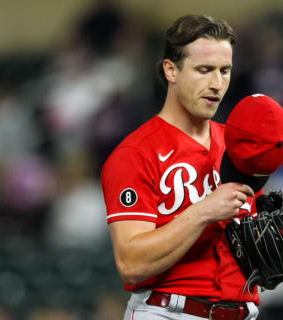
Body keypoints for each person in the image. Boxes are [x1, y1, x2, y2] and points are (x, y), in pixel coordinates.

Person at [101, 14, 261, 320]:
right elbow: (131, 265)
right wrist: (204, 210)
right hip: (168, 312)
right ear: (170, 70)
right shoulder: (135, 153)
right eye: (204, 70)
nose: (217, 84)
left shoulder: (236, 144)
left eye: (225, 71)